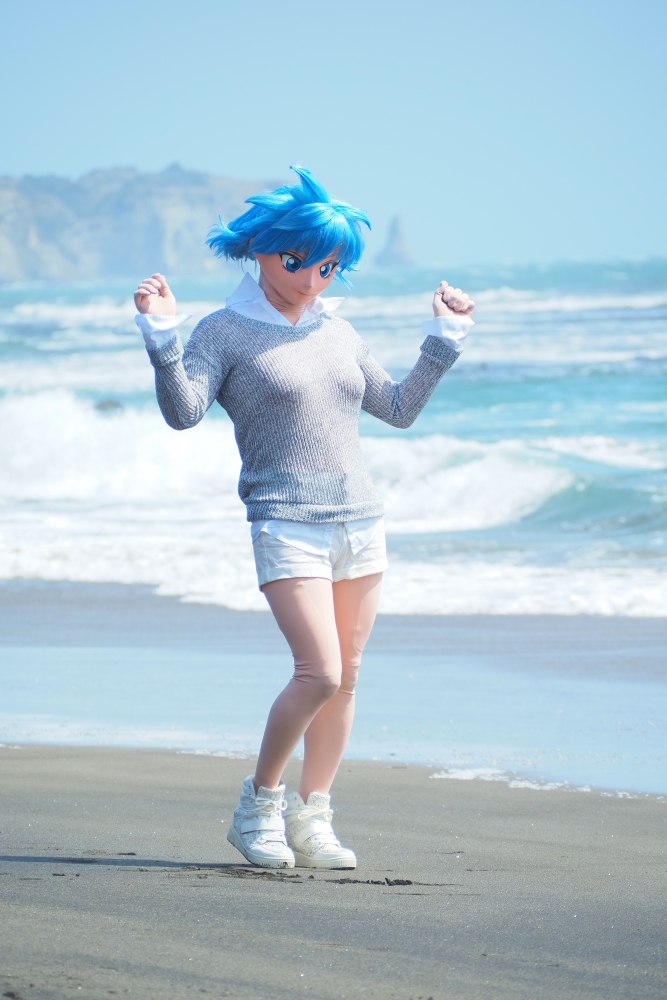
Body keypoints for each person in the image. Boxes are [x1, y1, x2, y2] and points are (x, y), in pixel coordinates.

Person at [133, 166, 474, 870]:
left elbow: (399, 409)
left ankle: (313, 816)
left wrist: (444, 338)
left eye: (329, 266)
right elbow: (183, 412)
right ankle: (257, 807)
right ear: (259, 249)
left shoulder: (339, 331)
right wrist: (161, 337)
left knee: (346, 678)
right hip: (285, 520)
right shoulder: (224, 331)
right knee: (317, 671)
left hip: (361, 521)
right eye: (298, 261)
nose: (313, 278)